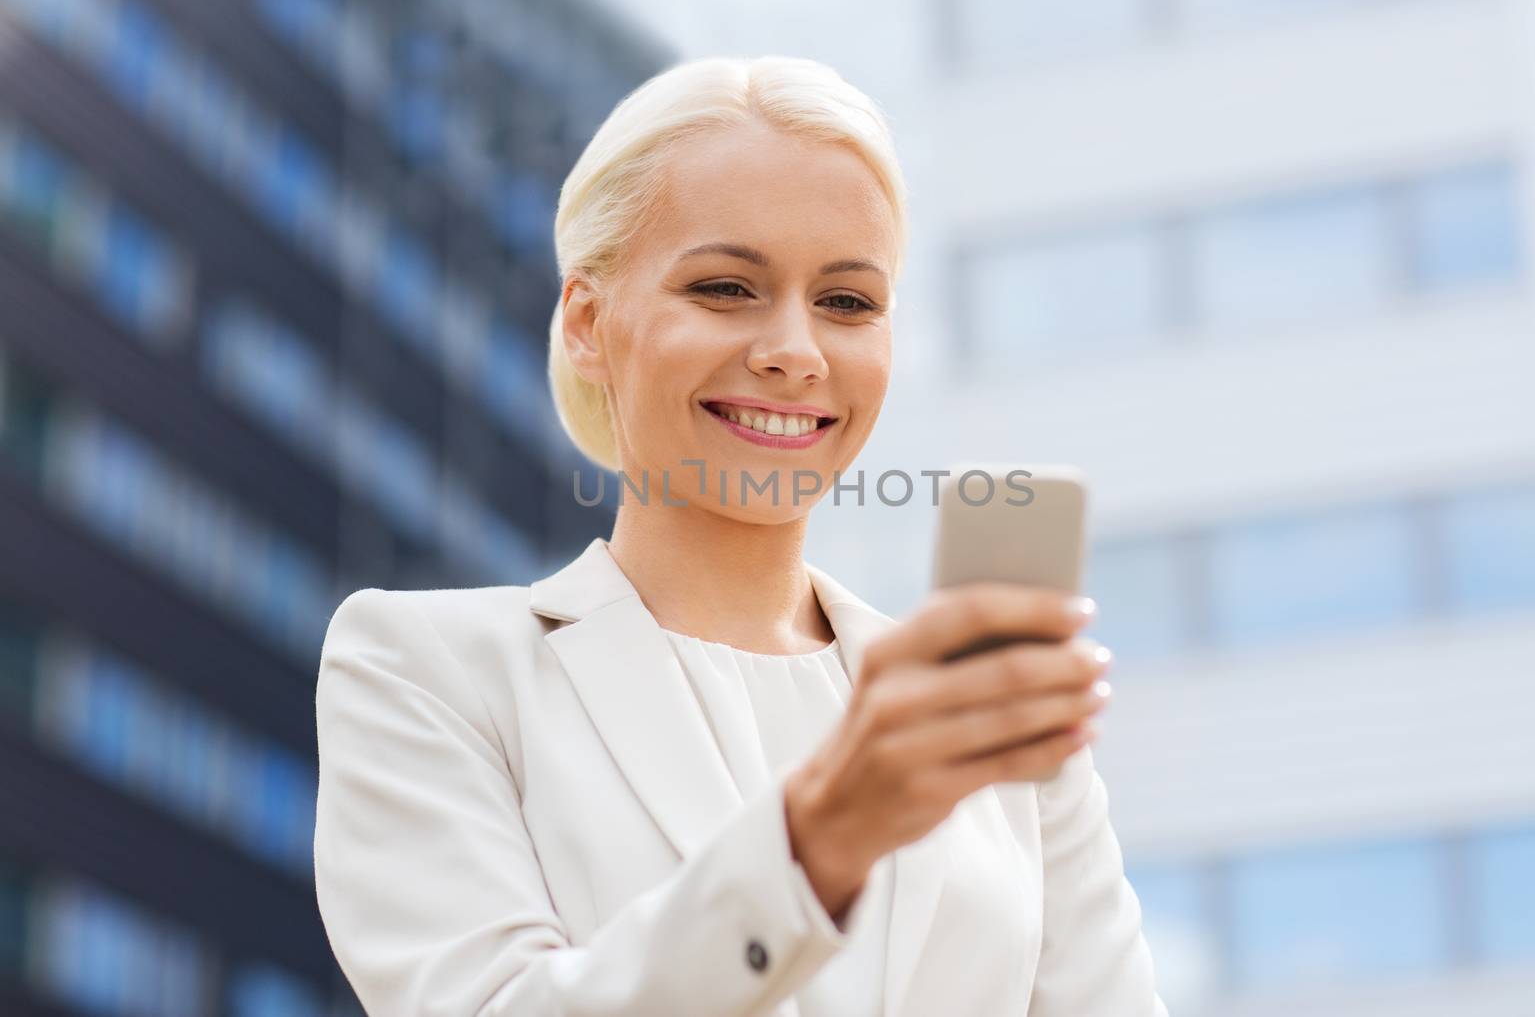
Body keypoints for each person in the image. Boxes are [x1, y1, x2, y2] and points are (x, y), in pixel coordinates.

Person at [312, 54, 1168, 1017]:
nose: (795, 353)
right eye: (725, 288)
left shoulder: (988, 725)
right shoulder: (425, 669)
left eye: (847, 302)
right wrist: (822, 838)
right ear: (590, 322)